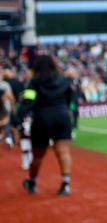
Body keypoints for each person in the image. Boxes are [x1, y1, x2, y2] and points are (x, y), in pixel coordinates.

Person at [17, 55, 73, 196]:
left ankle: (32, 181)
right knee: (64, 152)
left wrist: (19, 122)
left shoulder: (33, 83)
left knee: (37, 156)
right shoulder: (64, 81)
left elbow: (27, 104)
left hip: (42, 119)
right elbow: (70, 99)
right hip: (62, 117)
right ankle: (65, 184)